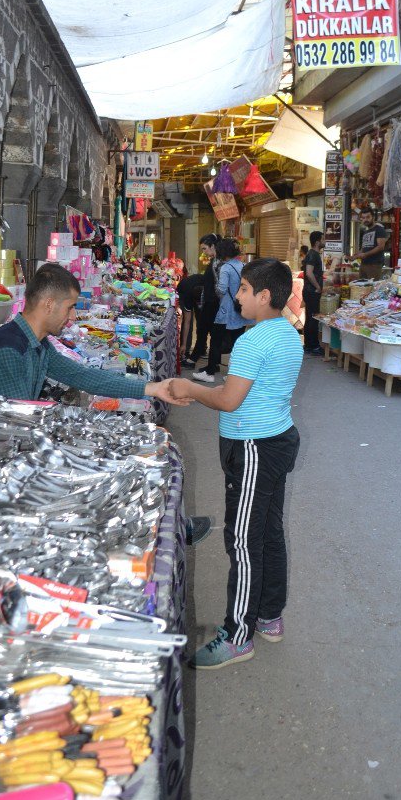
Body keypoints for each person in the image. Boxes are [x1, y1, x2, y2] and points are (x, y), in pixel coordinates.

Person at [169, 258, 303, 669]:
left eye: (243, 289)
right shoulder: (288, 333)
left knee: (243, 541)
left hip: (253, 448)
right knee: (268, 532)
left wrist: (191, 387)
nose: (237, 295)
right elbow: (245, 390)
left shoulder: (251, 342)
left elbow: (229, 400)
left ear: (264, 297)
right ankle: (269, 616)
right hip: (278, 439)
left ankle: (238, 635)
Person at [0, 263, 185, 411]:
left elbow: (81, 375)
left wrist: (151, 388)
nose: (72, 317)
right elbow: (18, 420)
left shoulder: (35, 342)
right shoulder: (8, 349)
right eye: (70, 307)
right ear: (48, 304)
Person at [193, 239, 251, 383]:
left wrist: (216, 290)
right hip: (240, 308)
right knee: (237, 342)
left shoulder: (225, 268)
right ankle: (233, 374)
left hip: (226, 310)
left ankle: (210, 372)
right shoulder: (243, 265)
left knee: (216, 341)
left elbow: (221, 289)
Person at [185, 233, 221, 367]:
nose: (204, 252)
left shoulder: (218, 262)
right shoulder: (215, 260)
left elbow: (219, 285)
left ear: (213, 246)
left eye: (204, 248)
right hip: (210, 301)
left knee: (204, 330)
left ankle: (196, 359)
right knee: (207, 331)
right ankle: (212, 363)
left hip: (213, 302)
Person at [349, 207, 387, 280]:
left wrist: (365, 254)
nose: (365, 220)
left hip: (374, 265)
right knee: (362, 287)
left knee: (372, 288)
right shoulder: (366, 232)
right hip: (363, 264)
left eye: (368, 217)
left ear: (373, 217)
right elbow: (364, 247)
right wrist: (356, 256)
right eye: (363, 218)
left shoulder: (379, 229)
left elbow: (381, 246)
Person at [302, 230, 324, 354]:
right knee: (313, 318)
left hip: (310, 290)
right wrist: (318, 287)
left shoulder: (313, 254)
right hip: (311, 291)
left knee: (310, 317)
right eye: (323, 239)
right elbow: (309, 273)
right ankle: (313, 346)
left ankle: (309, 345)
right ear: (317, 242)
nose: (324, 241)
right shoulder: (313, 255)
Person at [177, 272, 205, 366]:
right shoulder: (186, 295)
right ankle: (185, 350)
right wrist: (184, 344)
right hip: (184, 290)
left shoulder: (207, 284)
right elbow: (187, 322)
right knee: (188, 321)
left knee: (201, 321)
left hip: (199, 289)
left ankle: (201, 347)